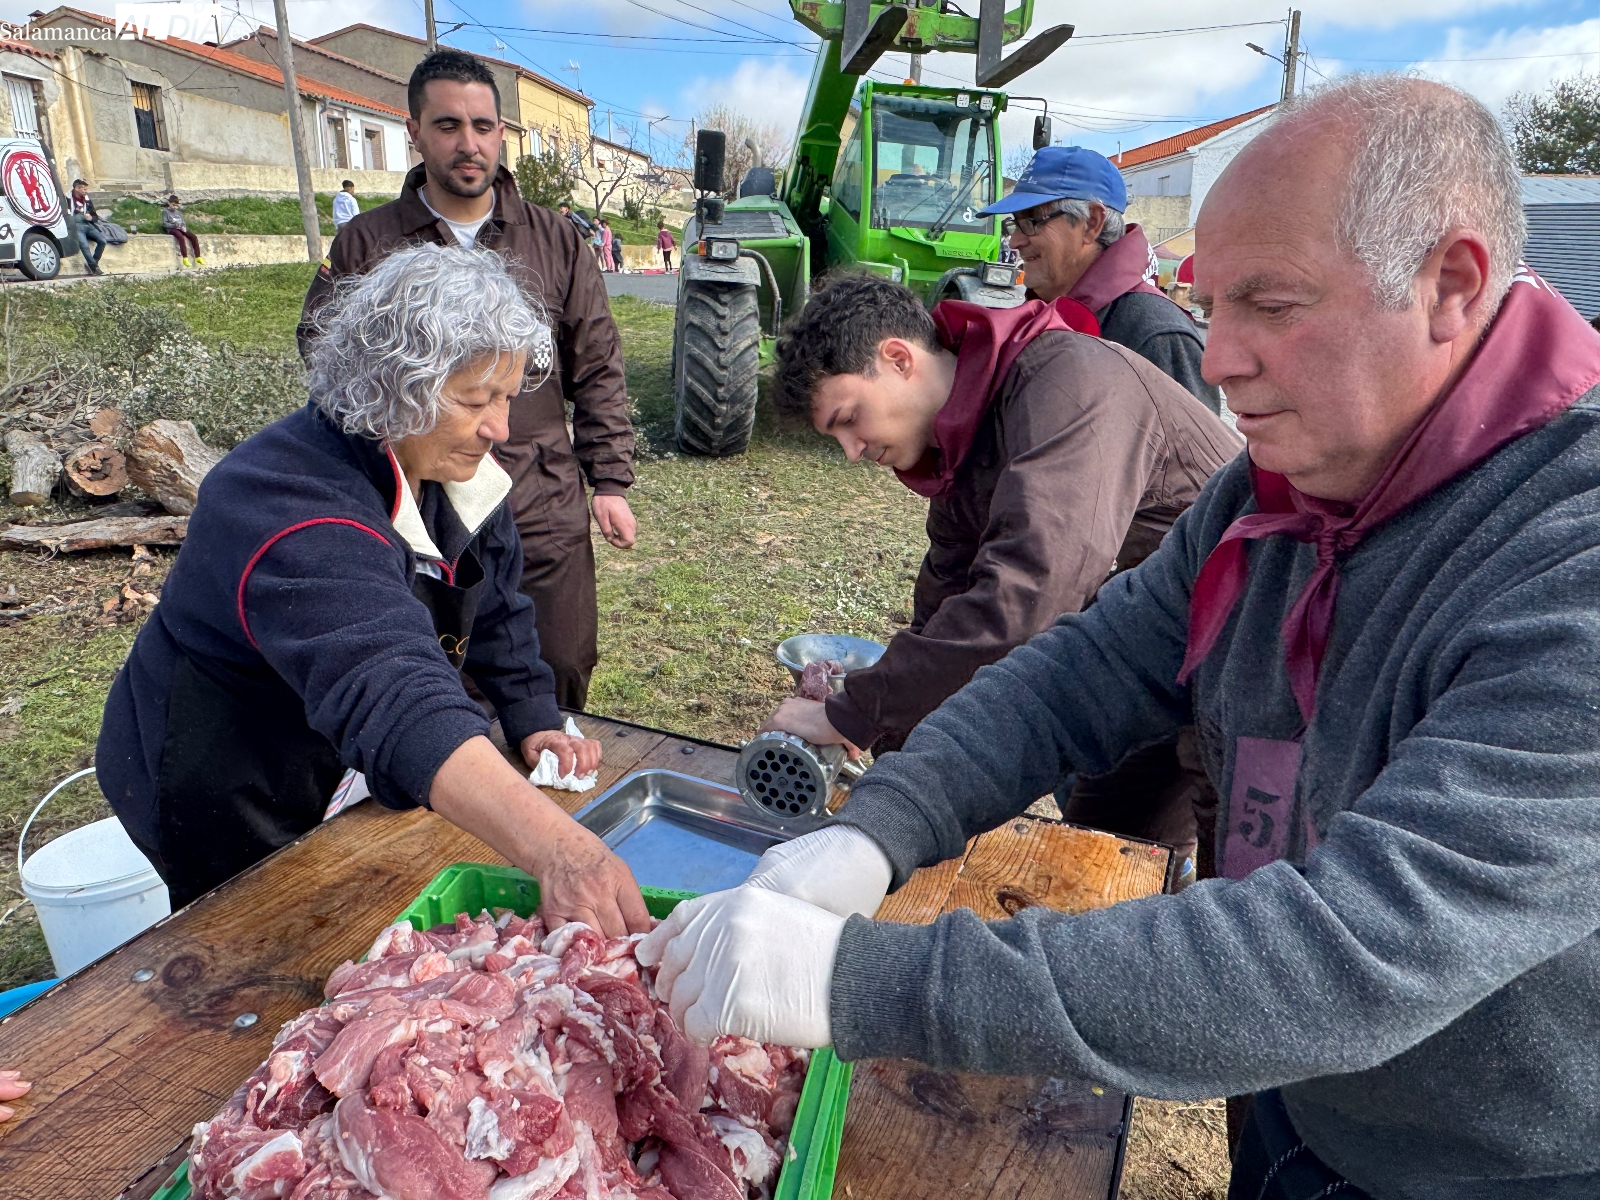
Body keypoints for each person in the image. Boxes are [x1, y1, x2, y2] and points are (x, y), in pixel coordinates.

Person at [638, 76, 1600, 1199]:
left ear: (1449, 285)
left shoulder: (1567, 544)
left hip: (1489, 1158)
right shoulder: (1280, 481)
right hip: (1291, 1097)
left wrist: (867, 981)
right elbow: (1080, 669)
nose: (1221, 356)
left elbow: (1357, 948)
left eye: (1271, 305)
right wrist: (880, 829)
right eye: (1212, 303)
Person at [102, 245, 650, 937]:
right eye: (476, 401)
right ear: (393, 385)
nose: (500, 428)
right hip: (227, 770)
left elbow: (499, 604)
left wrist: (531, 709)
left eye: (508, 398)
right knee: (254, 935)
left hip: (330, 754)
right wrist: (558, 849)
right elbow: (389, 683)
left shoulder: (452, 468)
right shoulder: (283, 500)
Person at [758, 275, 1239, 863]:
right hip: (1145, 658)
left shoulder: (1067, 384)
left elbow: (1029, 597)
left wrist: (851, 710)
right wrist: (886, 748)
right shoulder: (961, 449)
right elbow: (944, 611)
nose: (851, 450)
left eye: (850, 418)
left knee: (1235, 867)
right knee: (1105, 848)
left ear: (898, 358)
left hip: (1243, 641)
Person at [300, 51, 637, 710]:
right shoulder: (366, 245)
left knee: (560, 660)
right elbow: (328, 365)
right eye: (449, 125)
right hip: (418, 510)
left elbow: (596, 363)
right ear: (415, 132)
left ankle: (544, 776)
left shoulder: (555, 240)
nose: (468, 143)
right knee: (437, 676)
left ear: (501, 134)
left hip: (538, 494)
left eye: (483, 126)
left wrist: (611, 480)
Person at [979, 146, 1221, 413]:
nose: (1015, 241)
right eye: (1015, 223)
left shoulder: (1156, 336)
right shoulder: (1049, 312)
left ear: (1092, 223)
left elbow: (1195, 452)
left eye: (1032, 221)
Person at [69, 179, 106, 275]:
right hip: (75, 225)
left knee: (102, 241)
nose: (86, 192)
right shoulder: (67, 199)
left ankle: (94, 262)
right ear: (77, 188)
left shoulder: (87, 200)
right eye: (84, 189)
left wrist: (91, 218)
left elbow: (95, 217)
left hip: (87, 224)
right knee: (84, 246)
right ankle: (94, 268)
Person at [161, 194, 203, 268]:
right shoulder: (165, 212)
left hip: (180, 228)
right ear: (169, 203)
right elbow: (165, 224)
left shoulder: (178, 213)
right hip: (172, 229)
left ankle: (198, 257)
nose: (174, 207)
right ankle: (185, 258)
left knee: (193, 237)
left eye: (176, 205)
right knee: (181, 237)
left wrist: (184, 227)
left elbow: (183, 222)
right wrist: (174, 225)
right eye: (173, 205)